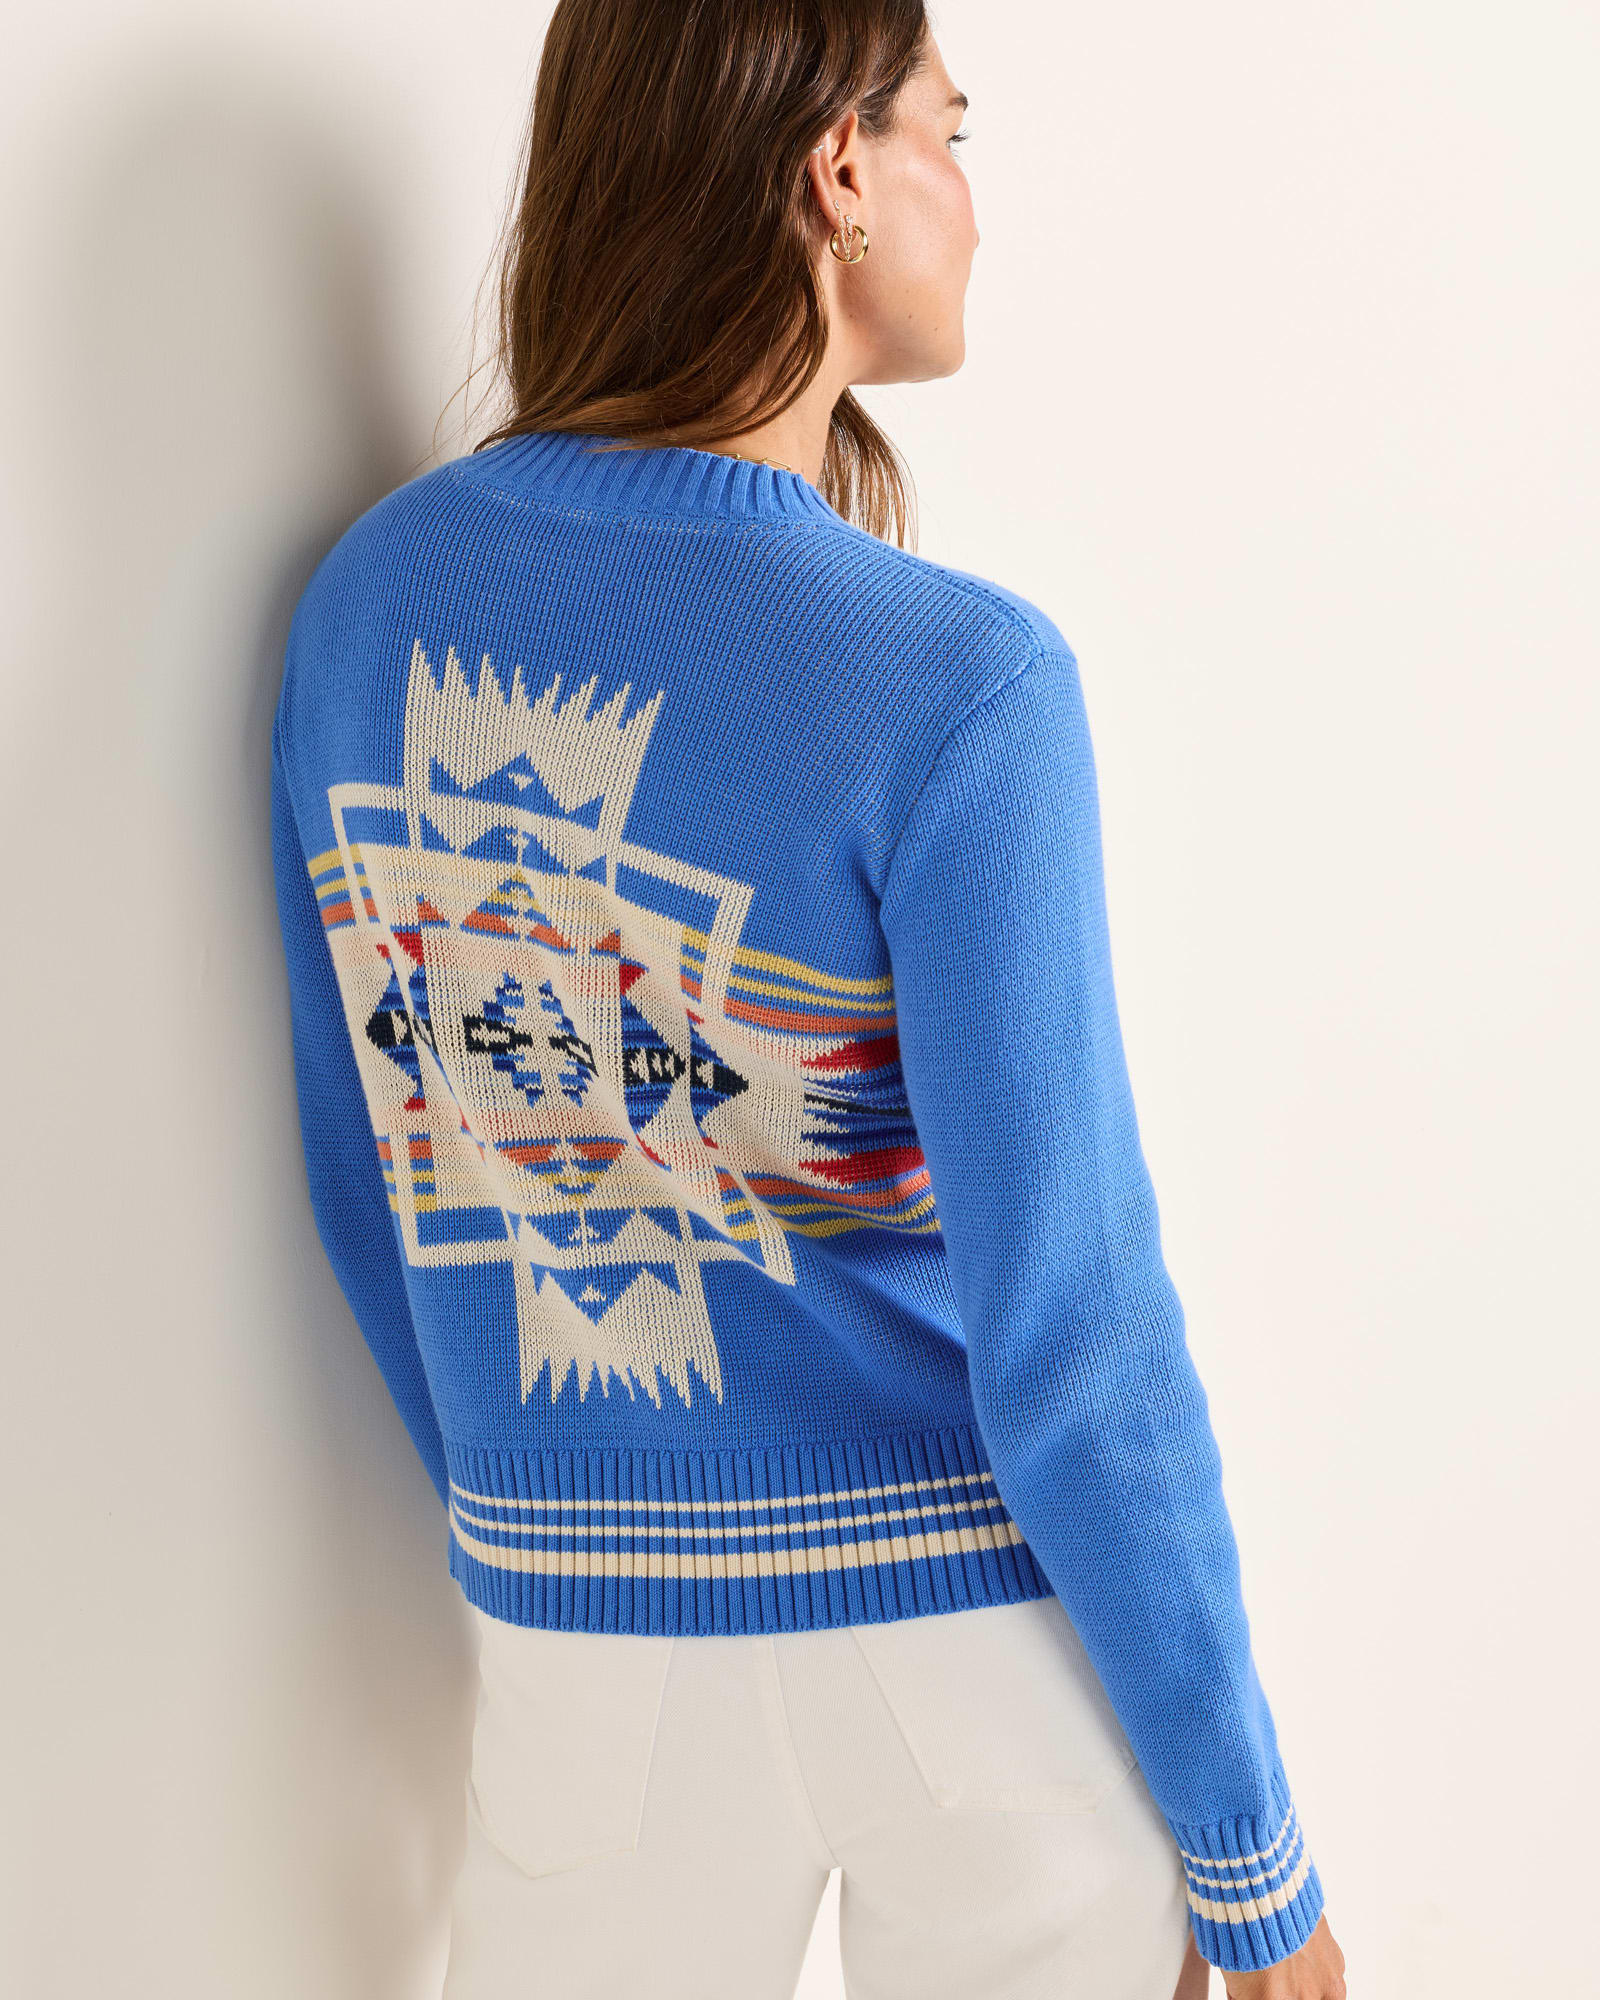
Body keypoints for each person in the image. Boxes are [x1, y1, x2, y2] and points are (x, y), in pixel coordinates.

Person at [269, 3, 1347, 1995]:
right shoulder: (957, 683)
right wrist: (1250, 1851)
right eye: (952, 131)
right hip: (972, 1674)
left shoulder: (366, 614)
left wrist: (554, 1536)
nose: (972, 201)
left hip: (581, 1665)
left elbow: (369, 1184)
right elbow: (1076, 1336)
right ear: (838, 169)